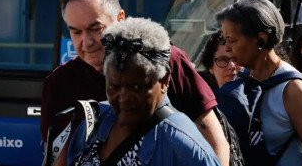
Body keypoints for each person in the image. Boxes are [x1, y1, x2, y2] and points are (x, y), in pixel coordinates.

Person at [40, 0, 229, 166]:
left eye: (95, 29)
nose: (86, 42)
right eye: (76, 32)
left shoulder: (163, 60)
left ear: (120, 18)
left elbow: (215, 140)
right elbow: (57, 159)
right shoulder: (60, 84)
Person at [65, 17, 221, 165]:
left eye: (137, 87)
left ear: (165, 80)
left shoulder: (184, 147)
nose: (124, 98)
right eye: (115, 86)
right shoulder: (92, 124)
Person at [216, 0, 302, 166]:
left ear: (261, 40)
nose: (226, 47)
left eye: (232, 40)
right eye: (225, 40)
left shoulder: (294, 90)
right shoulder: (241, 82)